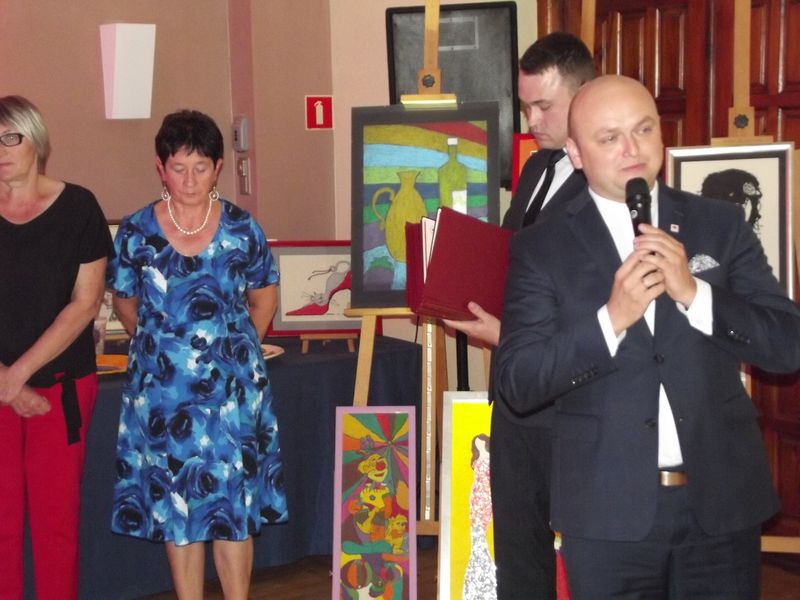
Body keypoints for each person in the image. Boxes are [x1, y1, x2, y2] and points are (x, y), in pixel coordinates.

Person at [495, 74, 800, 597]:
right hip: (605, 513)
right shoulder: (541, 248)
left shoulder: (719, 223)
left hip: (721, 503)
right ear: (576, 152)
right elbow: (519, 382)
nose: (632, 149)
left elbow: (787, 344)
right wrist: (611, 319)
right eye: (609, 137)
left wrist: (696, 295)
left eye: (643, 130)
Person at [107, 109, 287, 599]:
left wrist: (232, 352)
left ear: (218, 167)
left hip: (232, 396)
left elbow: (264, 298)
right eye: (178, 167)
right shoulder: (136, 231)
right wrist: (165, 347)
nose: (189, 180)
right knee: (177, 509)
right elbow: (125, 303)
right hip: (162, 395)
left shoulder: (242, 228)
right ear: (161, 168)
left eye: (201, 167)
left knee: (232, 508)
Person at [444, 32, 596, 599]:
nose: (531, 120)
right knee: (517, 554)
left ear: (583, 96)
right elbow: (510, 259)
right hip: (513, 399)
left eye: (543, 106)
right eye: (525, 105)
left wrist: (503, 332)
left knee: (585, 560)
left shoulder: (608, 185)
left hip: (572, 406)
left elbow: (594, 312)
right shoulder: (535, 169)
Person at [0, 95, 113, 599]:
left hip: (60, 392)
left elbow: (85, 305)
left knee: (55, 528)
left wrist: (16, 376)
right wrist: (6, 384)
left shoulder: (79, 208)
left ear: (37, 141)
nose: (1, 150)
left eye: (11, 138)